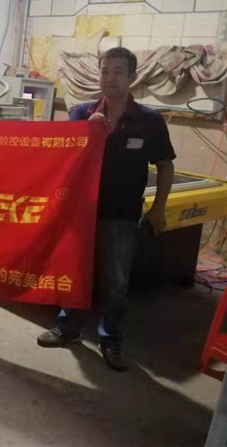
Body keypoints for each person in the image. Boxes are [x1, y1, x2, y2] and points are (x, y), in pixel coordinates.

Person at [37, 47, 175, 371]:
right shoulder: (81, 113)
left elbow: (165, 166)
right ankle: (68, 328)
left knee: (116, 284)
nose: (109, 77)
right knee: (72, 274)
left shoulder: (149, 121)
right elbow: (62, 159)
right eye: (104, 71)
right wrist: (87, 132)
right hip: (79, 216)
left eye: (117, 71)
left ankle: (111, 338)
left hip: (121, 216)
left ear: (132, 77)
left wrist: (158, 209)